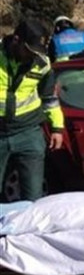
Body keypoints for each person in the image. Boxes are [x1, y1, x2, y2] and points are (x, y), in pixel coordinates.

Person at [0, 19, 65, 201]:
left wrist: (57, 128)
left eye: (38, 51)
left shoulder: (42, 64)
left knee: (34, 197)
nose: (33, 56)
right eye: (29, 50)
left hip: (28, 132)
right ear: (16, 40)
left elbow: (50, 98)